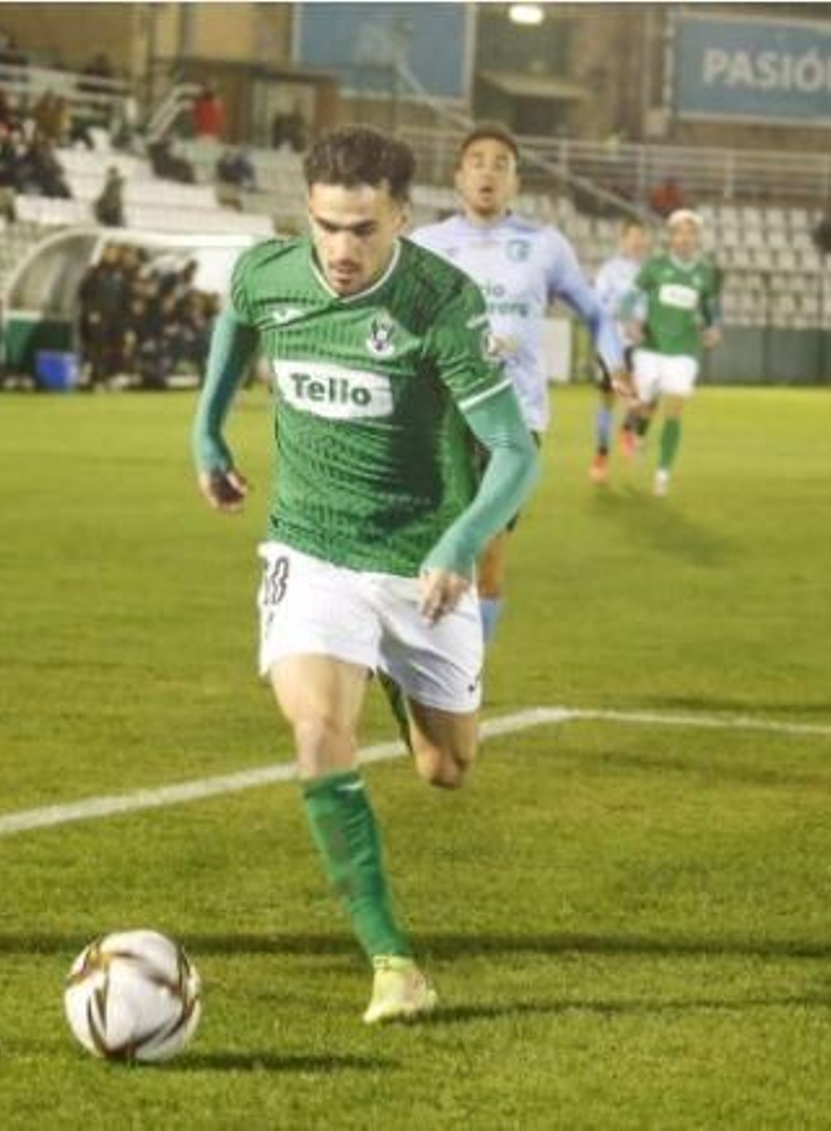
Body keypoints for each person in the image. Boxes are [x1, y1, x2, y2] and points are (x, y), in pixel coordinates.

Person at [192, 125, 540, 1023]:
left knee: (445, 766)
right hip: (309, 548)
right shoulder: (272, 272)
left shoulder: (439, 301)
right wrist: (207, 430)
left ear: (402, 217)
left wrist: (459, 544)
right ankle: (393, 961)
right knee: (316, 734)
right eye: (326, 227)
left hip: (420, 561)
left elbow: (513, 450)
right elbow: (238, 315)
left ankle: (395, 672)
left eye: (363, 230)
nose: (341, 251)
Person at [411, 124, 628, 643]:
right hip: (440, 415)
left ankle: (468, 679)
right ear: (459, 177)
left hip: (514, 421)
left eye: (501, 164)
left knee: (486, 555)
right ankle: (413, 664)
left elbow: (595, 312)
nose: (488, 171)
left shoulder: (544, 245)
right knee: (424, 547)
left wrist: (614, 363)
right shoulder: (425, 245)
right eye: (477, 161)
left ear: (516, 182)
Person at [619, 209, 722, 498]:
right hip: (650, 348)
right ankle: (638, 433)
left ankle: (662, 474)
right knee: (644, 404)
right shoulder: (654, 267)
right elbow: (629, 298)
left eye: (690, 233)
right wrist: (629, 321)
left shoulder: (705, 273)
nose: (685, 238)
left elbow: (711, 308)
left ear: (697, 238)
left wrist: (715, 329)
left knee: (674, 410)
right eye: (679, 232)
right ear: (671, 236)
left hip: (684, 351)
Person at [589, 217, 649, 482]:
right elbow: (599, 306)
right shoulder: (609, 271)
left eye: (641, 236)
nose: (637, 241)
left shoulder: (651, 272)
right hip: (612, 345)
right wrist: (626, 319)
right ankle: (601, 454)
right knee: (607, 403)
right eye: (632, 236)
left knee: (644, 392)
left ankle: (628, 428)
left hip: (640, 345)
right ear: (623, 240)